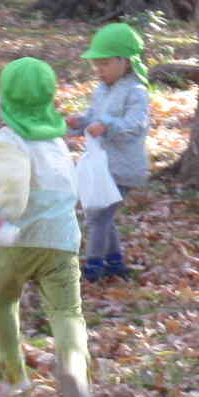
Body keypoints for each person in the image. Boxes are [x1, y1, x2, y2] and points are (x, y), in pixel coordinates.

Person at [0, 57, 95, 397]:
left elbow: (13, 188)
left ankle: (13, 375)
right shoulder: (56, 142)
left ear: (4, 99)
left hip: (18, 241)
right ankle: (74, 368)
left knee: (1, 299)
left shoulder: (8, 141)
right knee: (67, 312)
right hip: (61, 241)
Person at [78, 22, 152, 282]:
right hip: (101, 166)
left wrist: (107, 126)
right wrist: (79, 122)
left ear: (125, 61)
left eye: (105, 64)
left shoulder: (136, 92)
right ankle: (115, 262)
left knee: (98, 216)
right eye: (96, 65)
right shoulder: (102, 90)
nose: (99, 70)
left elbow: (136, 126)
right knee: (101, 215)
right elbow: (93, 118)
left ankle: (94, 267)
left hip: (123, 169)